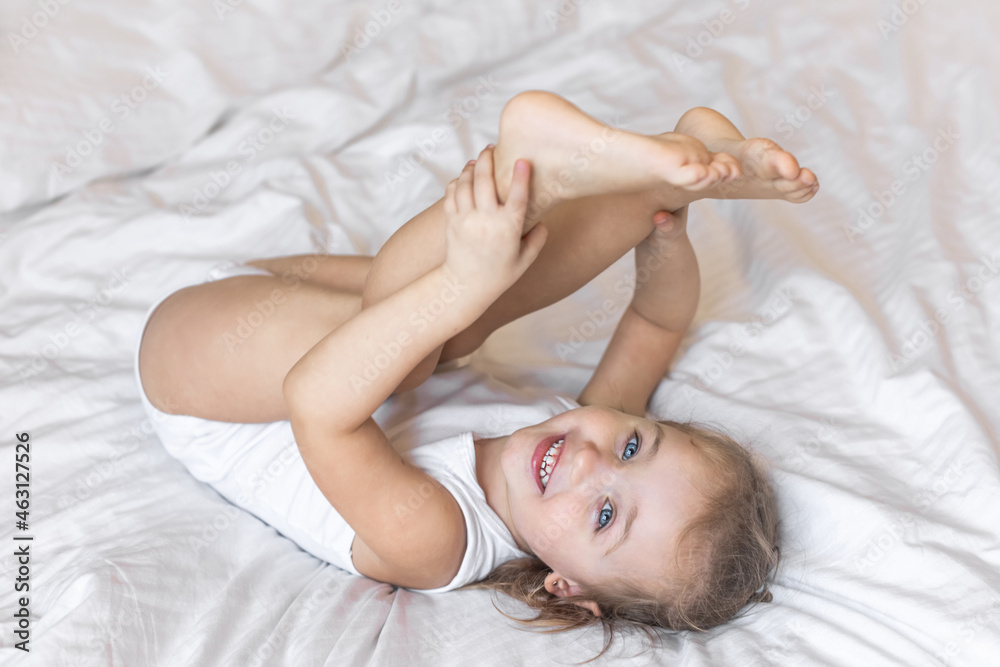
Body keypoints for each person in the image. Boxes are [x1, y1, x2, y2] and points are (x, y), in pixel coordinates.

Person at [136, 90, 816, 656]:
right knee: (452, 326)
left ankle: (523, 170)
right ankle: (676, 164)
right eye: (634, 444)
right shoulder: (567, 438)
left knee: (443, 331)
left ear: (567, 587)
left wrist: (465, 283)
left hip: (196, 369)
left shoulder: (441, 541)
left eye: (606, 515)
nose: (589, 459)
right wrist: (667, 227)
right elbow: (656, 325)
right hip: (304, 293)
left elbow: (316, 400)